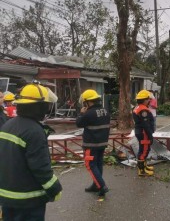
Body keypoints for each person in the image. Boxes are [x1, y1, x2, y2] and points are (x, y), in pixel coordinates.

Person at [0, 82, 62, 220]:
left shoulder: (8, 125)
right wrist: (55, 188)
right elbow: (41, 168)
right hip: (29, 200)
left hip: (6, 197)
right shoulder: (34, 131)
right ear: (40, 107)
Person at [76, 89, 111, 197]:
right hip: (102, 143)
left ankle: (101, 186)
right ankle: (96, 185)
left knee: (90, 165)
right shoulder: (105, 110)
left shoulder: (88, 113)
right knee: (98, 164)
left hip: (91, 144)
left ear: (87, 102)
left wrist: (81, 113)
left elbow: (78, 123)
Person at [133, 90, 155, 176]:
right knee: (144, 151)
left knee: (143, 149)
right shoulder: (143, 110)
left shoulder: (138, 107)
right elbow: (145, 124)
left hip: (140, 131)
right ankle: (142, 170)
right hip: (144, 133)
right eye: (148, 99)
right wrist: (150, 135)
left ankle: (144, 166)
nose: (149, 100)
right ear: (144, 100)